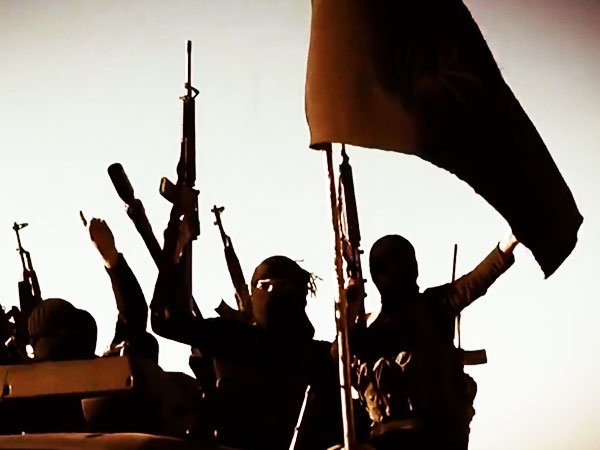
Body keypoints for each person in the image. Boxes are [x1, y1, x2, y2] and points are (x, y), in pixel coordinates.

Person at [151, 217, 343, 450]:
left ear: (300, 295)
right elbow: (166, 322)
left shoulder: (321, 357)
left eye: (282, 287)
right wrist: (177, 246)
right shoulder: (232, 339)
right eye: (264, 286)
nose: (272, 294)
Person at [350, 232, 519, 450]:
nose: (396, 272)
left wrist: (510, 241)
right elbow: (337, 360)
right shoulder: (368, 327)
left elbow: (477, 280)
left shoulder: (433, 305)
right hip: (391, 440)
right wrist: (348, 311)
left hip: (435, 436)